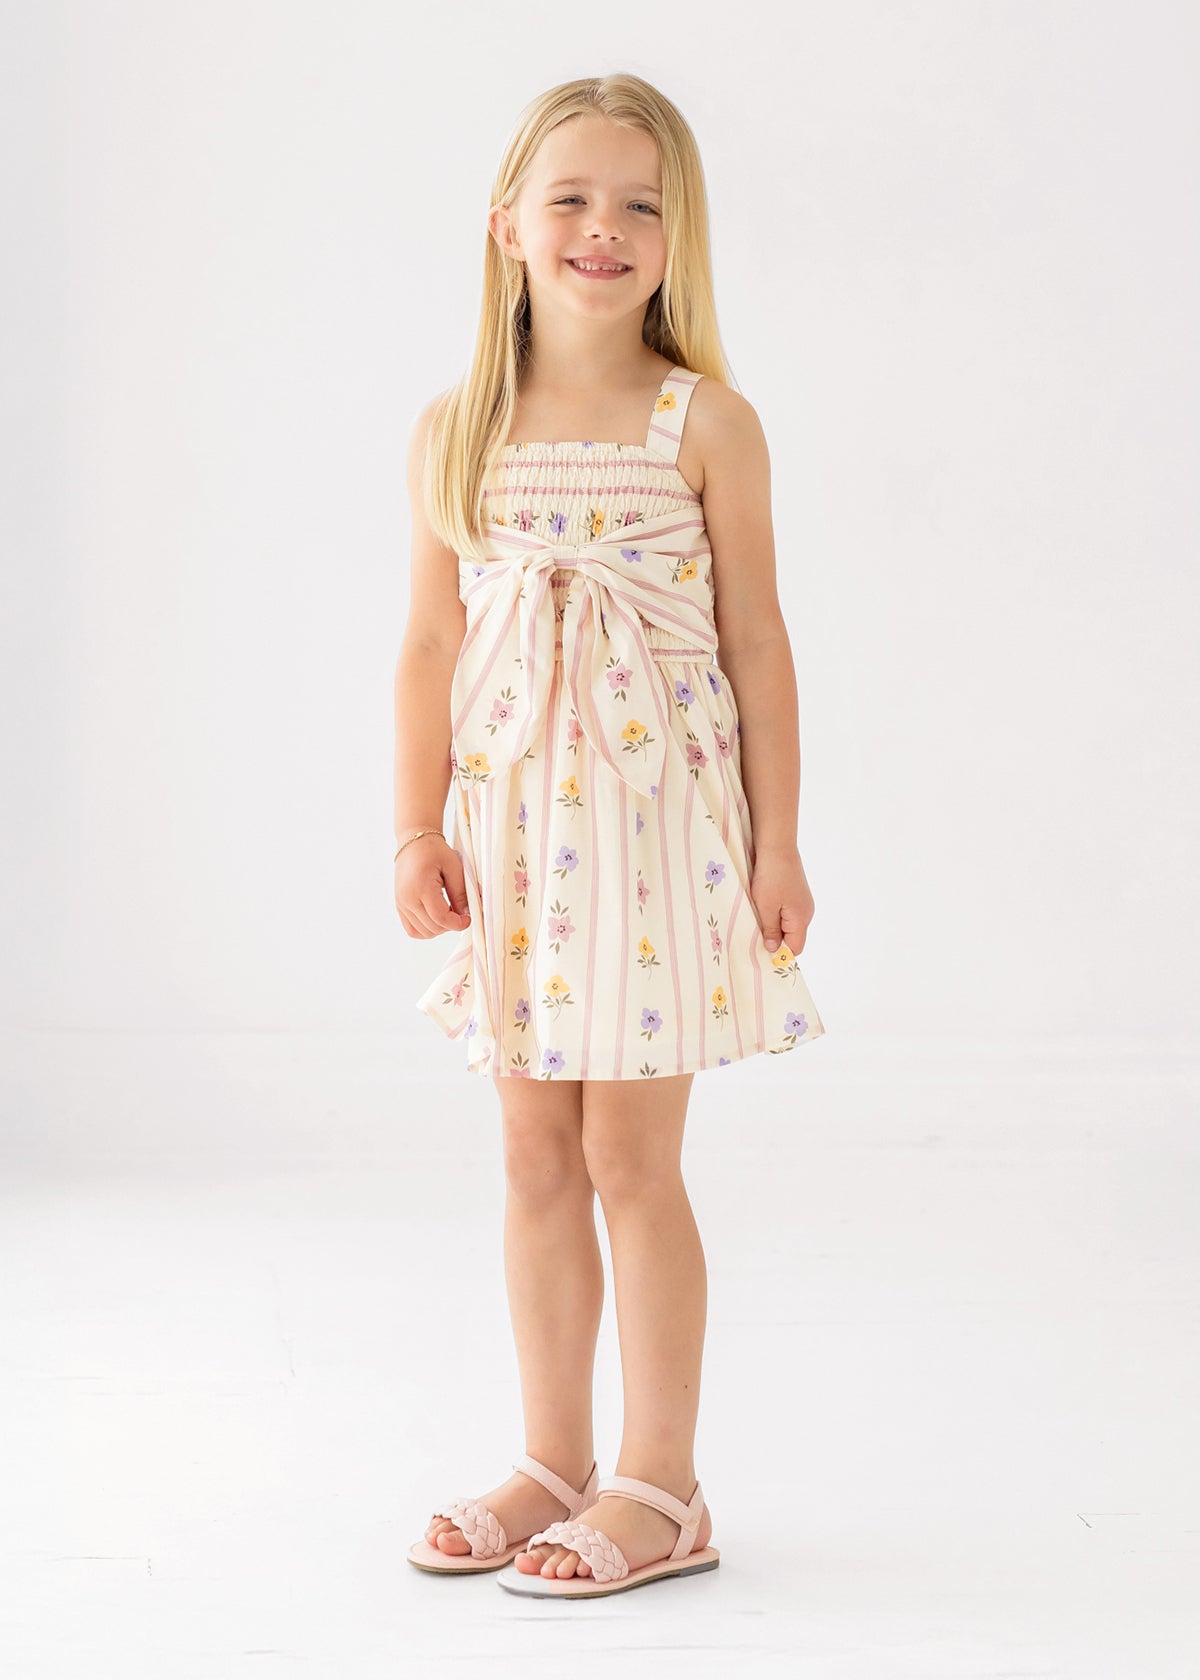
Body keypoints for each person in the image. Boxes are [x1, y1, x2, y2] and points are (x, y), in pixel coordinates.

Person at [394, 73, 826, 1599]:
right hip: (515, 836)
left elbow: (759, 643)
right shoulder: (464, 427)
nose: (606, 228)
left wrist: (779, 846)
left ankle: (663, 1483)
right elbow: (430, 649)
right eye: (572, 197)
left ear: (677, 236)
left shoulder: (705, 421)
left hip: (653, 836)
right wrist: (410, 831)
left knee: (632, 1159)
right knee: (531, 1154)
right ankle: (551, 1457)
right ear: (506, 223)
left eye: (643, 203)